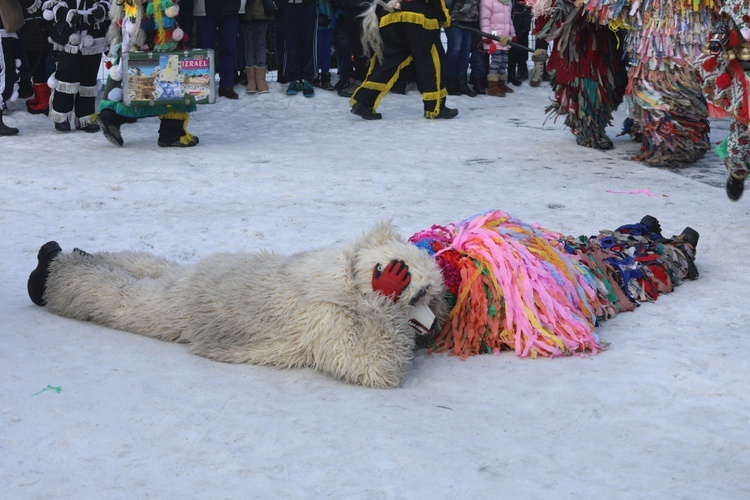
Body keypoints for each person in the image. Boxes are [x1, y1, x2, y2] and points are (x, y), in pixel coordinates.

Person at [96, 0, 199, 148]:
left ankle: (110, 116)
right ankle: (171, 134)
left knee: (135, 80)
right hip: (157, 30)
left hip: (135, 26)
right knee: (170, 80)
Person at [349, 0, 457, 120]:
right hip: (418, 17)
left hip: (391, 14)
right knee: (430, 60)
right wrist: (444, 18)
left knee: (389, 60)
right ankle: (436, 106)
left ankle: (363, 101)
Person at [41, 0, 110, 133]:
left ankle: (85, 118)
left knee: (89, 76)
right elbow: (49, 4)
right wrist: (66, 13)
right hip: (68, 34)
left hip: (93, 34)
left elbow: (110, 3)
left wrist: (102, 9)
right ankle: (61, 116)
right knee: (67, 73)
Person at [194, 0, 245, 99]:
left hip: (231, 8)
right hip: (206, 9)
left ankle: (227, 85)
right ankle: (204, 86)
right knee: (205, 51)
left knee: (229, 48)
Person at [19, 0, 53, 114]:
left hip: (34, 36)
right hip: (39, 34)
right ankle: (41, 98)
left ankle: (44, 101)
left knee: (38, 69)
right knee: (38, 68)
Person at [281, 0, 317, 96]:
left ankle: (307, 78)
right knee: (290, 41)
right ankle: (294, 78)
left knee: (309, 40)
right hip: (289, 5)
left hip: (308, 4)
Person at [479, 0, 515, 97]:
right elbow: (484, 19)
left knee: (504, 60)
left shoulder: (507, 2)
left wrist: (513, 34)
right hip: (494, 36)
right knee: (496, 60)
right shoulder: (488, 1)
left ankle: (501, 83)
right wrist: (486, 35)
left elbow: (509, 20)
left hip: (505, 36)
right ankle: (492, 86)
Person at [444, 0, 479, 96]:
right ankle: (450, 81)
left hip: (470, 16)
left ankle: (462, 82)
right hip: (453, 16)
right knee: (455, 48)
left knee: (466, 49)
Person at [240, 0, 272, 94]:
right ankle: (251, 80)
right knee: (249, 46)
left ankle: (260, 79)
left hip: (262, 11)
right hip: (245, 12)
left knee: (261, 45)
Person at [312, 0, 335, 90]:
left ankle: (326, 76)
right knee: (317, 51)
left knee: (326, 52)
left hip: (330, 24)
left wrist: (338, 15)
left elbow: (337, 6)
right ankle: (315, 75)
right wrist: (317, 18)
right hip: (317, 26)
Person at [507, 0, 529, 85]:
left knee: (523, 39)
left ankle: (522, 68)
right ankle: (511, 72)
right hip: (512, 11)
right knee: (513, 41)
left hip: (525, 10)